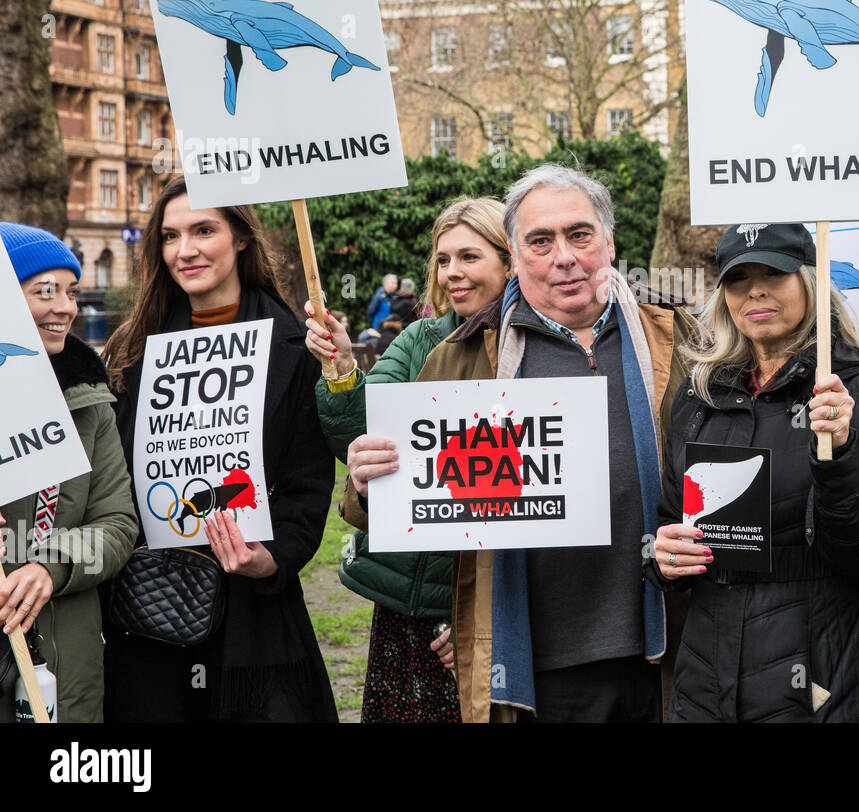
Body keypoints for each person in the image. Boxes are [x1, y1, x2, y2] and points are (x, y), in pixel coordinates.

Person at [344, 165, 696, 722]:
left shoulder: (682, 339)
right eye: (540, 240)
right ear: (515, 252)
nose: (564, 256)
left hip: (668, 649)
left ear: (609, 241)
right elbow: (408, 506)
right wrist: (367, 484)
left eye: (579, 235)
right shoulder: (461, 357)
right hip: (535, 666)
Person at [648, 224, 859, 722]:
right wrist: (662, 558)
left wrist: (840, 448)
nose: (756, 290)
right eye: (739, 278)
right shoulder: (699, 392)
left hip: (815, 670)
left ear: (809, 280)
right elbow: (665, 521)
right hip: (705, 672)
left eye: (774, 273)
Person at [101, 177, 337, 722]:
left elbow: (308, 479)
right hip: (149, 607)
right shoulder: (129, 350)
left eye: (204, 230)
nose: (186, 250)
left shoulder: (297, 346)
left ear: (241, 239)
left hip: (253, 616)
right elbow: (108, 475)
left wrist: (271, 559)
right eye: (170, 236)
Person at [307, 197, 513, 723]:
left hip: (503, 612)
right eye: (443, 260)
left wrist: (485, 617)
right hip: (412, 608)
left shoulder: (543, 348)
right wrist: (342, 369)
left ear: (509, 259)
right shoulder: (422, 339)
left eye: (469, 256)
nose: (452, 273)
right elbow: (364, 433)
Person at [0, 224, 138, 723]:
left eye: (71, 291)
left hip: (67, 666)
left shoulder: (90, 402)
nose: (66, 307)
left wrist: (47, 568)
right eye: (45, 291)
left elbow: (118, 524)